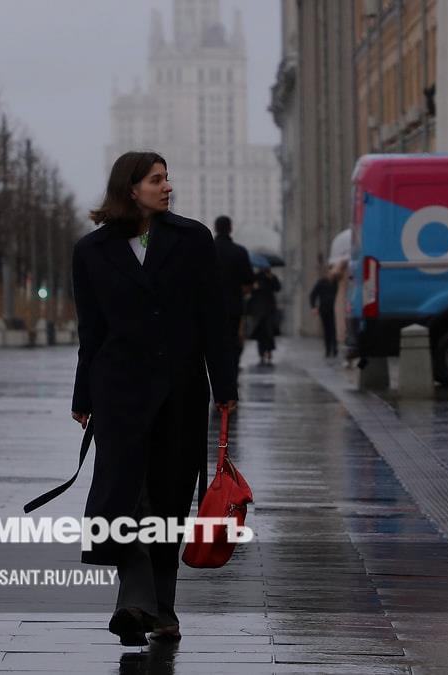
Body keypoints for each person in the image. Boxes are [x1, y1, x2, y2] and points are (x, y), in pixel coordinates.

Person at [69, 151, 236, 646]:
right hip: (118, 390)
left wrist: (225, 387)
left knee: (168, 497)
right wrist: (83, 393)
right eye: (156, 179)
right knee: (126, 494)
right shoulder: (91, 251)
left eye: (167, 178)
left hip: (181, 390)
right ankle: (135, 603)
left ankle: (161, 608)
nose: (167, 187)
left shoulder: (192, 239)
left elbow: (214, 318)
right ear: (130, 188)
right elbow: (91, 330)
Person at [212, 215, 253, 385]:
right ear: (230, 228)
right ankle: (231, 378)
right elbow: (248, 281)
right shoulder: (240, 252)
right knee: (233, 342)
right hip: (234, 306)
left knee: (214, 343)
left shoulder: (207, 250)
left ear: (215, 228)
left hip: (211, 307)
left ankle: (217, 379)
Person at [247, 266, 281, 365]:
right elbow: (250, 289)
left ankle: (269, 351)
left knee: (269, 331)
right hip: (258, 308)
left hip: (269, 308)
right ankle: (261, 353)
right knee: (260, 332)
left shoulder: (271, 277)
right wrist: (254, 287)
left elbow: (277, 288)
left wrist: (272, 278)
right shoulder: (256, 277)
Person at [310, 267, 339, 358]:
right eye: (330, 273)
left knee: (333, 328)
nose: (331, 275)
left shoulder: (335, 282)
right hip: (323, 309)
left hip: (332, 308)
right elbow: (313, 294)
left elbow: (336, 292)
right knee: (327, 329)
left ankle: (334, 348)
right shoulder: (321, 282)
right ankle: (328, 349)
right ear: (326, 273)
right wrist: (313, 307)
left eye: (332, 273)